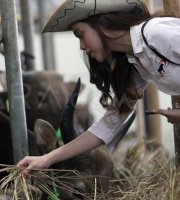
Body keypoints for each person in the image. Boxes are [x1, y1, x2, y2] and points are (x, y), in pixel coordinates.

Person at [17, 0, 180, 175]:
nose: (81, 46)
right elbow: (105, 128)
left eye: (80, 34)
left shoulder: (156, 33)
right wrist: (46, 159)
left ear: (103, 25)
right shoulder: (136, 63)